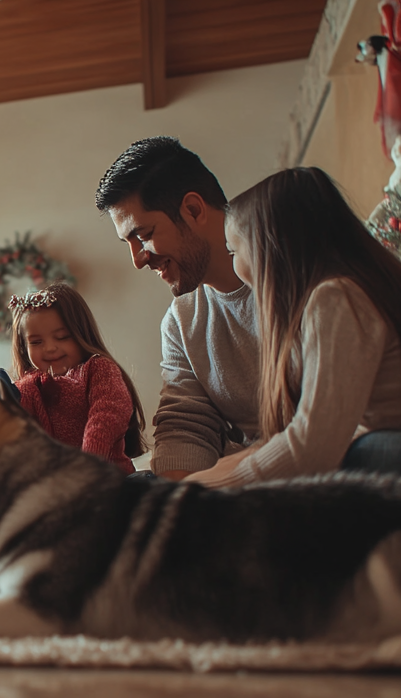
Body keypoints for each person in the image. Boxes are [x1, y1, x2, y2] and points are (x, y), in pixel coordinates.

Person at [186, 166, 401, 490]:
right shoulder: (358, 286)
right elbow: (293, 439)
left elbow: (310, 448)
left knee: (351, 459)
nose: (234, 265)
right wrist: (204, 479)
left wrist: (206, 491)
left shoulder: (338, 296)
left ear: (271, 248)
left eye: (233, 251)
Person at [96, 136, 260, 481]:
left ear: (194, 210)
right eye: (128, 243)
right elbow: (186, 424)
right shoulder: (181, 321)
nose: (138, 260)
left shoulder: (292, 274)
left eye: (143, 235)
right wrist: (173, 502)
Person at [7, 284, 147, 474]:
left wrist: (87, 464)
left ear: (81, 333)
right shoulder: (30, 386)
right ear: (24, 347)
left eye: (62, 337)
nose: (49, 348)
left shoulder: (99, 370)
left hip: (109, 481)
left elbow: (105, 419)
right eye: (36, 342)